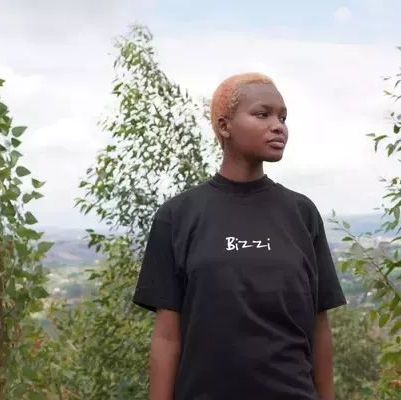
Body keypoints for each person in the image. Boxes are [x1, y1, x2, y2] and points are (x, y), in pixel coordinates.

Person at [133, 72, 347, 400]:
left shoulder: (302, 214)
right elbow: (166, 337)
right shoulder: (178, 216)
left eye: (282, 117)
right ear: (224, 126)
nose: (278, 126)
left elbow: (320, 327)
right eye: (262, 114)